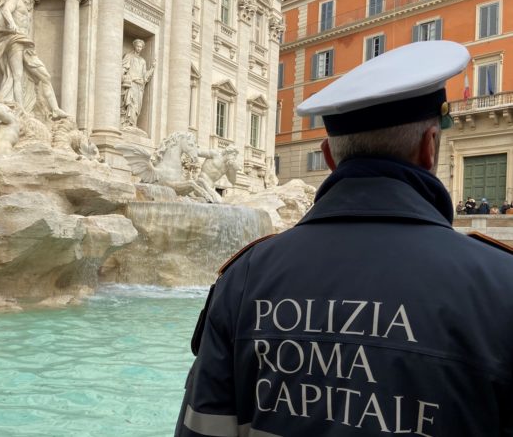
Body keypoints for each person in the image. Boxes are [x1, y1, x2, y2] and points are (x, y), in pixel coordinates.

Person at [175, 41, 513, 436]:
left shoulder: (244, 278)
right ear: (429, 146)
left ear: (330, 157)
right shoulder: (501, 284)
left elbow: (202, 427)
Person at [0, 0, 68, 119]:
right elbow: (6, 10)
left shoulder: (27, 8)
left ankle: (55, 109)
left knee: (45, 76)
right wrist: (12, 24)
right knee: (17, 76)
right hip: (14, 40)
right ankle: (21, 110)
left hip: (26, 43)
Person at [120, 39, 156, 128]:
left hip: (139, 87)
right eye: (138, 46)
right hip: (131, 84)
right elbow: (123, 69)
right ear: (134, 46)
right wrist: (125, 77)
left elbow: (145, 76)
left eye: (140, 47)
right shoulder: (129, 56)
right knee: (130, 103)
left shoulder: (143, 61)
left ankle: (133, 124)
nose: (139, 48)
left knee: (136, 107)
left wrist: (152, 68)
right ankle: (127, 123)